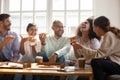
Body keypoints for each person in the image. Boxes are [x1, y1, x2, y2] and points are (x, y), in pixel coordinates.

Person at [72, 16, 120, 80]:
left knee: (96, 62)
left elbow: (98, 54)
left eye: (93, 27)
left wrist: (81, 48)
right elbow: (102, 54)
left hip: (118, 65)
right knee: (97, 63)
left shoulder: (108, 35)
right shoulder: (108, 35)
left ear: (97, 27)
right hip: (115, 64)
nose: (93, 30)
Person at [0, 13, 20, 80]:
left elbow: (16, 53)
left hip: (10, 62)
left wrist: (13, 65)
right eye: (7, 21)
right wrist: (3, 43)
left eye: (10, 21)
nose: (10, 23)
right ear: (1, 23)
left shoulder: (14, 35)